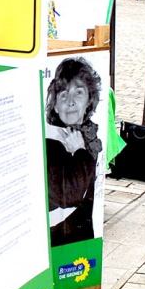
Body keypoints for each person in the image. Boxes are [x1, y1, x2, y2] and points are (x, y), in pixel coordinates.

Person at [45, 57, 102, 247]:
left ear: (89, 100)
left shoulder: (90, 138)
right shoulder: (50, 143)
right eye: (63, 95)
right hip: (58, 243)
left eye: (78, 92)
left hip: (81, 239)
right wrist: (79, 153)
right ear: (55, 105)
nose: (70, 102)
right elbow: (70, 195)